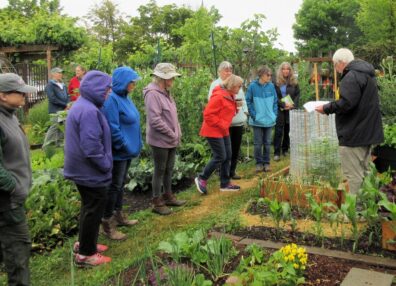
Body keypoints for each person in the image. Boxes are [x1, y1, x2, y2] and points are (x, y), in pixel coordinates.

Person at [315, 48, 383, 195]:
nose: (335, 69)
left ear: (341, 62)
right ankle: (366, 206)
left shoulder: (351, 76)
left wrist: (326, 108)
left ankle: (354, 212)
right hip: (366, 131)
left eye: (335, 65)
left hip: (354, 133)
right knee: (364, 171)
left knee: (353, 175)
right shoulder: (367, 75)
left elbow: (347, 103)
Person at [64, 70, 113, 267]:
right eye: (106, 90)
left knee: (88, 208)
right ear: (96, 89)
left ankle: (84, 243)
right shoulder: (89, 111)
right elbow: (91, 146)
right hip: (90, 171)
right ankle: (86, 255)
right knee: (94, 209)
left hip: (82, 170)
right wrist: (106, 164)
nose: (108, 93)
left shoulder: (83, 105)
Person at [0, 73, 37, 285]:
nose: (25, 96)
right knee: (18, 253)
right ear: (2, 95)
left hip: (12, 199)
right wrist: (13, 187)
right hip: (7, 202)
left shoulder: (11, 115)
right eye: (20, 92)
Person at [102, 67, 142, 239]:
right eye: (131, 81)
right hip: (119, 152)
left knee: (120, 185)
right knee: (114, 186)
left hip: (127, 151)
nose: (134, 84)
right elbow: (113, 128)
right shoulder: (112, 100)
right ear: (123, 82)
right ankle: (107, 222)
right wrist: (125, 145)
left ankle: (119, 215)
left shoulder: (125, 98)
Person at [143, 63, 186, 215]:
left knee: (169, 169)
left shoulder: (166, 92)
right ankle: (157, 202)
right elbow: (155, 120)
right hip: (160, 140)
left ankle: (168, 196)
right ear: (163, 78)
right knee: (159, 170)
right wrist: (172, 133)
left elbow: (173, 116)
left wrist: (177, 132)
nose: (173, 80)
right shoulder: (152, 94)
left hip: (171, 139)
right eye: (171, 77)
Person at [195, 74, 244, 195]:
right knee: (220, 156)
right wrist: (222, 124)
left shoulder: (230, 95)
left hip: (223, 129)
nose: (240, 88)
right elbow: (208, 114)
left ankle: (225, 183)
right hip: (213, 130)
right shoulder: (219, 96)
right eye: (239, 86)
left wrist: (236, 109)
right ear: (232, 85)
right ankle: (202, 178)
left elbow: (225, 112)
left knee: (228, 155)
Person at [208, 61, 248, 179]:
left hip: (238, 121)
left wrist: (245, 112)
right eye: (226, 70)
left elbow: (243, 99)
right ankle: (222, 173)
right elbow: (212, 102)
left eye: (230, 70)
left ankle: (232, 171)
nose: (229, 72)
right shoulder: (216, 85)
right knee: (225, 150)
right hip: (224, 124)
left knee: (235, 148)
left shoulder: (236, 83)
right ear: (219, 72)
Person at [245, 65, 278, 173]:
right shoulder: (252, 87)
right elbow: (248, 101)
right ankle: (259, 164)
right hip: (257, 121)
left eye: (270, 75)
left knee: (268, 143)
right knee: (258, 144)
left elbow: (275, 102)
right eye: (267, 75)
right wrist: (254, 116)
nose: (270, 77)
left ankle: (267, 163)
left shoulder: (271, 86)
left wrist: (274, 114)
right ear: (261, 75)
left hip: (269, 120)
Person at [273, 62, 300, 161]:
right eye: (283, 69)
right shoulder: (276, 82)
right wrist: (284, 105)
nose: (286, 71)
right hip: (280, 109)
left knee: (288, 130)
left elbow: (297, 95)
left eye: (288, 69)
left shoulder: (294, 82)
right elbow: (275, 97)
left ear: (290, 70)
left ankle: (285, 149)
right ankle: (276, 152)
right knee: (279, 130)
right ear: (281, 70)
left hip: (291, 109)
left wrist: (293, 105)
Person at [44, 67, 69, 148]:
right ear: (53, 74)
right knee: (54, 127)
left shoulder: (63, 85)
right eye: (59, 73)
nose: (60, 74)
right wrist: (64, 105)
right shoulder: (50, 85)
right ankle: (45, 145)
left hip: (64, 109)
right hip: (55, 110)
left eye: (61, 73)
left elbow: (67, 95)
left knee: (62, 126)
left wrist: (68, 104)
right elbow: (52, 99)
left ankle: (59, 143)